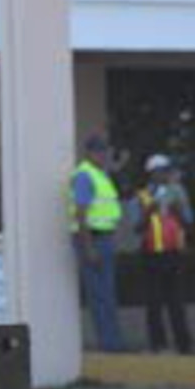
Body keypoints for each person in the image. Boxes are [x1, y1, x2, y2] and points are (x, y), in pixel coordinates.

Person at [128, 154, 195, 354]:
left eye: (167, 170)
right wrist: (149, 212)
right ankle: (158, 344)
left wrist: (178, 211)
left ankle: (184, 344)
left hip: (173, 253)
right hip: (151, 255)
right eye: (161, 171)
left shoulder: (178, 192)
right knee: (154, 301)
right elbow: (137, 228)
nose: (165, 174)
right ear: (152, 174)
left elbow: (189, 222)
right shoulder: (141, 196)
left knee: (177, 301)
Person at [68, 133, 127, 353]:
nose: (104, 155)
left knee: (107, 294)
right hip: (92, 239)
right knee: (100, 295)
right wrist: (88, 247)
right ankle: (109, 344)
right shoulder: (85, 176)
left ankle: (114, 342)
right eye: (100, 151)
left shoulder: (100, 175)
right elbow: (80, 214)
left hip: (104, 238)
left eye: (105, 151)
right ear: (90, 153)